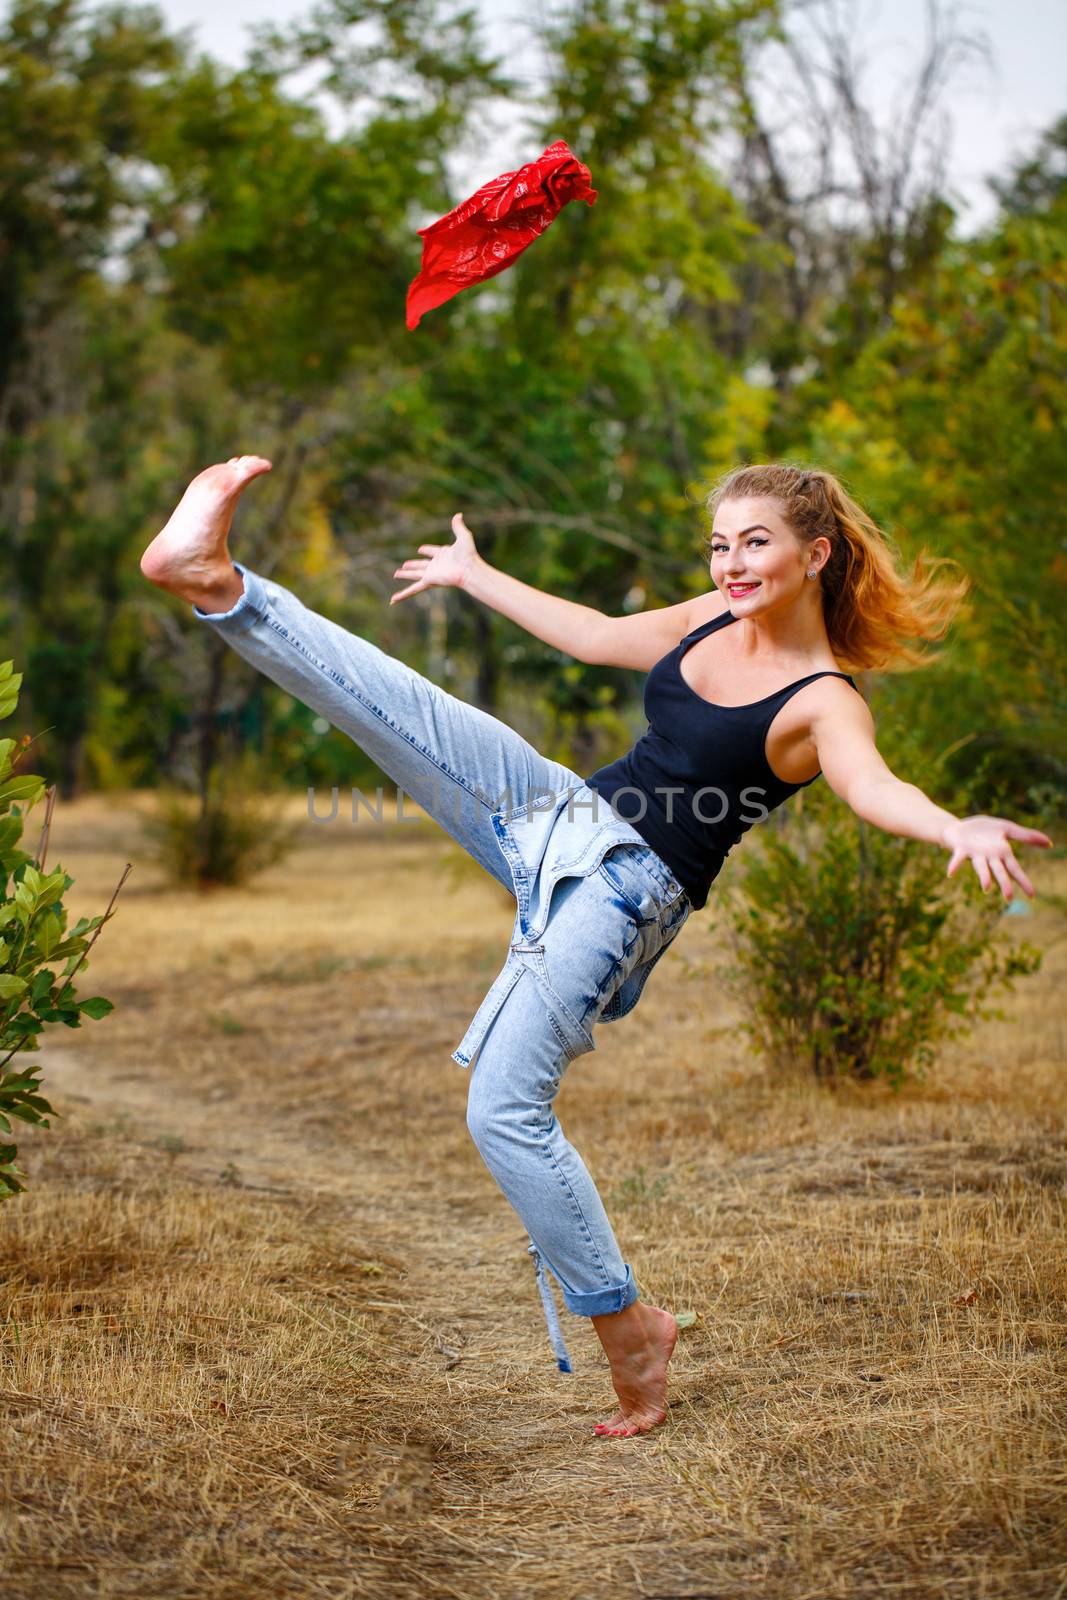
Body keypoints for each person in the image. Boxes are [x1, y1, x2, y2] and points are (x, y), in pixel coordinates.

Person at [140, 456, 1051, 1439]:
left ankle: (628, 1329)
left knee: (501, 1111)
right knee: (390, 704)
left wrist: (951, 825)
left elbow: (874, 789)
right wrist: (473, 573)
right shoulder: (709, 613)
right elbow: (595, 636)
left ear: (813, 553)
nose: (729, 562)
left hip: (623, 889)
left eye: (753, 542)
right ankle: (217, 585)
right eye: (718, 543)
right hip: (557, 810)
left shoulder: (825, 700)